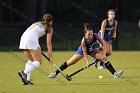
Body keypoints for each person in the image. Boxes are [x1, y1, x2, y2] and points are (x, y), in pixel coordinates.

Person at [48, 23, 123, 79]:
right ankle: (55, 73)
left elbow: (103, 44)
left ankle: (115, 73)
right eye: (88, 35)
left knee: (104, 58)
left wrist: (103, 53)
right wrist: (87, 62)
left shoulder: (96, 35)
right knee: (70, 62)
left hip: (92, 51)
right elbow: (84, 52)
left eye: (91, 34)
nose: (90, 36)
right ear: (85, 34)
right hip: (82, 52)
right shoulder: (83, 41)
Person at [18, 13, 53, 85]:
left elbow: (32, 33)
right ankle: (24, 73)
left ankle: (26, 80)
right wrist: (50, 56)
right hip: (32, 39)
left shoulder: (37, 23)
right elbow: (48, 43)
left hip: (23, 38)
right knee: (38, 62)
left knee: (31, 60)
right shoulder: (50, 28)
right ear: (51, 21)